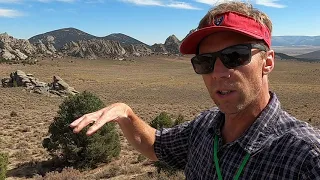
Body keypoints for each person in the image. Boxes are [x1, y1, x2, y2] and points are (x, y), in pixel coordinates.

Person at [70, 1, 320, 179]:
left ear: (268, 62)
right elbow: (154, 145)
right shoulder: (204, 127)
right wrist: (125, 113)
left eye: (235, 56)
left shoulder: (306, 157)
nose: (218, 73)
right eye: (205, 62)